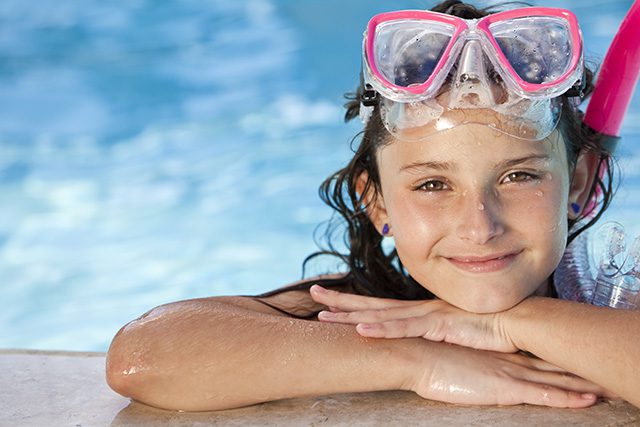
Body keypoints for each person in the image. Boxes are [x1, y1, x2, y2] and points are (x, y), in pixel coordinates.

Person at [105, 0, 640, 411]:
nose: (479, 226)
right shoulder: (371, 316)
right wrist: (416, 360)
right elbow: (144, 356)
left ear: (578, 182)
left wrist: (511, 325)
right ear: (377, 202)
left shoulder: (612, 293)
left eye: (518, 175)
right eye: (432, 185)